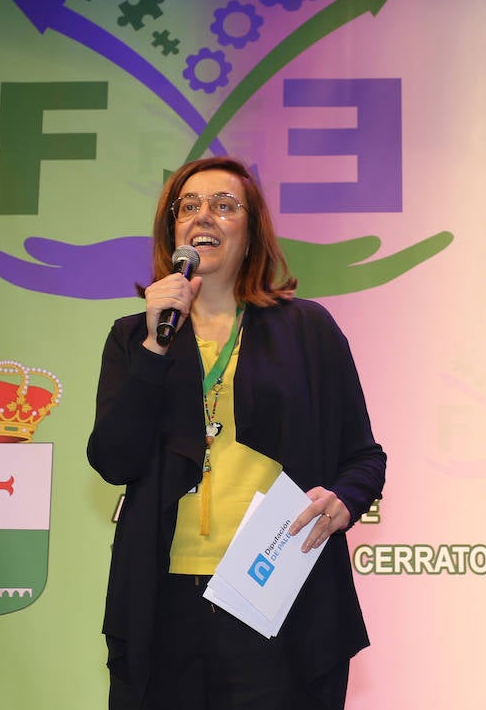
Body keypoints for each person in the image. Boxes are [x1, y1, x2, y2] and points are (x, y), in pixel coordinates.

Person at [87, 155, 386, 710]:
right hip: (163, 601)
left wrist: (345, 500)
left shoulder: (306, 330)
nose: (205, 217)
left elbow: (365, 456)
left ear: (251, 234)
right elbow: (112, 459)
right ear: (171, 230)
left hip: (276, 596)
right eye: (190, 207)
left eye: (225, 206)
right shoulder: (135, 337)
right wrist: (156, 346)